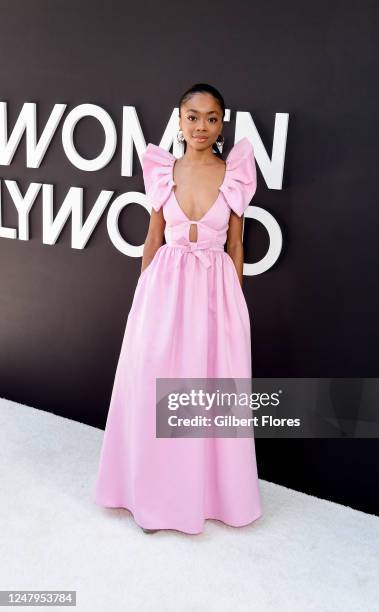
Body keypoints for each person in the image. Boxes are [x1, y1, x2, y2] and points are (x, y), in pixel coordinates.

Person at [93, 83, 263, 535]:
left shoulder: (235, 173)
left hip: (214, 291)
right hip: (162, 288)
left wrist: (235, 308)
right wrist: (142, 291)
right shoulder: (162, 170)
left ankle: (203, 496)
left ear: (222, 123)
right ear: (180, 119)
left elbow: (236, 244)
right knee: (151, 384)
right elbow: (152, 237)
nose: (201, 126)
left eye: (211, 118)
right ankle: (146, 492)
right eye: (193, 117)